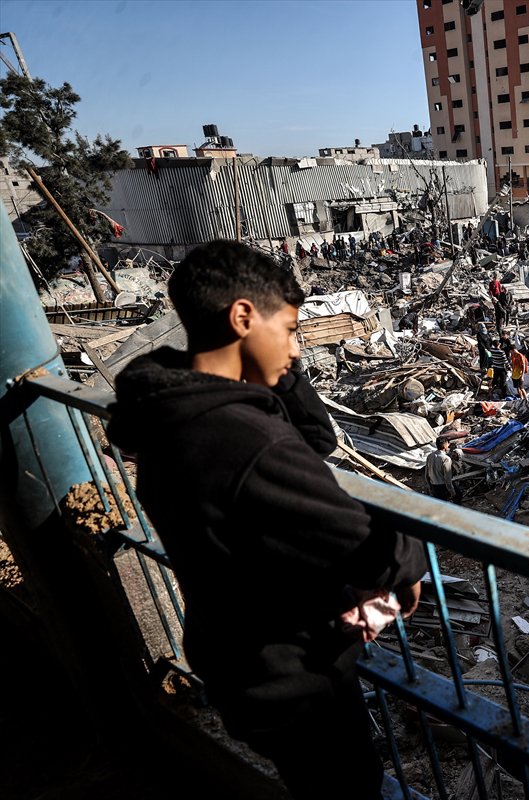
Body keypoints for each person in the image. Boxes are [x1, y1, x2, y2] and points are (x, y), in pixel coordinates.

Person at [108, 240, 424, 800]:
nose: (297, 348)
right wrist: (410, 563)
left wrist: (280, 367)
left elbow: (319, 440)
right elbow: (365, 544)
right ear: (243, 317)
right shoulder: (248, 444)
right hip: (294, 681)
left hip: (231, 658)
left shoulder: (167, 414)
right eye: (293, 331)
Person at [425, 437, 458, 502]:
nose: (448, 445)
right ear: (445, 445)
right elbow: (447, 478)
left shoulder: (430, 456)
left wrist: (430, 487)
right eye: (448, 444)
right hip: (442, 487)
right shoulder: (446, 459)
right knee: (458, 496)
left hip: (434, 486)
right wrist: (451, 491)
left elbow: (426, 474)